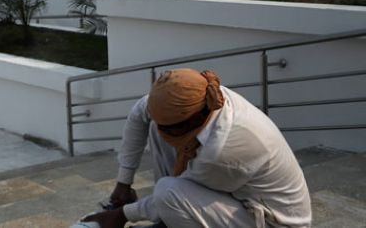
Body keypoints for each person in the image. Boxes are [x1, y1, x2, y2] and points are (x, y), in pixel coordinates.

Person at [82, 68, 311, 228]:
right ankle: (169, 222)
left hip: (273, 222)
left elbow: (172, 195)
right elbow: (138, 115)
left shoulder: (223, 150)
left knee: (167, 193)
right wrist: (123, 184)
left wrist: (121, 215)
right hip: (239, 197)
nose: (164, 134)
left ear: (192, 122)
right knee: (155, 129)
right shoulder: (200, 97)